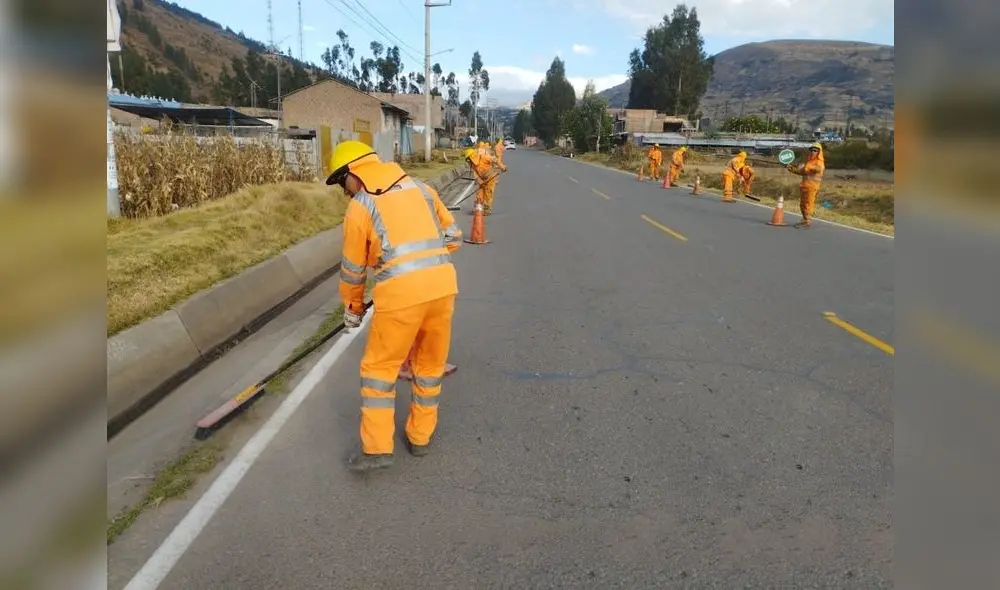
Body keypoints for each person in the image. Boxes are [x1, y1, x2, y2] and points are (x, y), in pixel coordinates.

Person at [326, 140, 463, 472]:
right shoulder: (422, 189)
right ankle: (420, 439)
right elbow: (454, 238)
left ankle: (377, 450)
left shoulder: (361, 206)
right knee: (429, 368)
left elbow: (353, 270)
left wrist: (354, 308)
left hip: (400, 297)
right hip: (443, 287)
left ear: (353, 173)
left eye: (342, 182)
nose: (344, 191)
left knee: (379, 370)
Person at [786, 143, 825, 228]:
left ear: (819, 152)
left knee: (808, 203)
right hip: (804, 186)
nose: (813, 152)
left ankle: (807, 221)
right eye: (811, 150)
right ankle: (804, 219)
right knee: (802, 204)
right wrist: (792, 169)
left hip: (812, 187)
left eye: (815, 150)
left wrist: (807, 167)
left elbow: (818, 169)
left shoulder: (819, 162)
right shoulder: (809, 161)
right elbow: (802, 172)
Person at [465, 147, 497, 215]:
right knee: (479, 194)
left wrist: (501, 166)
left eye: (468, 158)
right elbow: (476, 174)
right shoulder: (473, 164)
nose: (468, 161)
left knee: (488, 193)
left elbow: (494, 160)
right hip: (482, 179)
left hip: (490, 177)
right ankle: (478, 208)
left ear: (472, 156)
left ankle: (487, 210)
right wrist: (481, 182)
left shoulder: (484, 157)